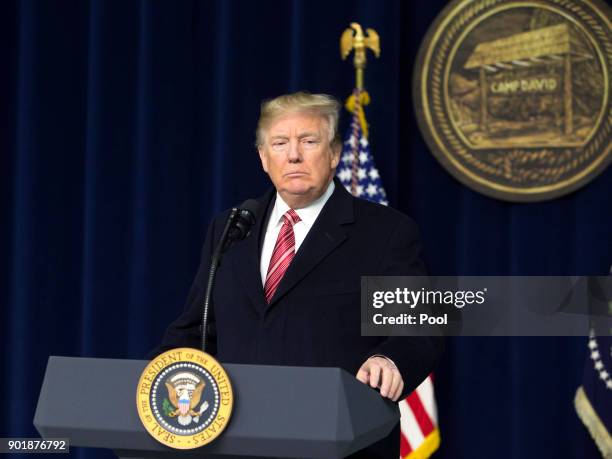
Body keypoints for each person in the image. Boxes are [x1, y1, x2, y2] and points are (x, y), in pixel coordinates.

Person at [154, 92, 444, 458]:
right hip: (234, 442)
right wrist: (148, 382)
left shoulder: (385, 232)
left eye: (308, 141)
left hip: (341, 444)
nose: (293, 155)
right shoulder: (229, 229)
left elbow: (420, 326)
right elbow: (196, 329)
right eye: (280, 143)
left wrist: (390, 360)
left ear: (335, 153)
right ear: (263, 157)